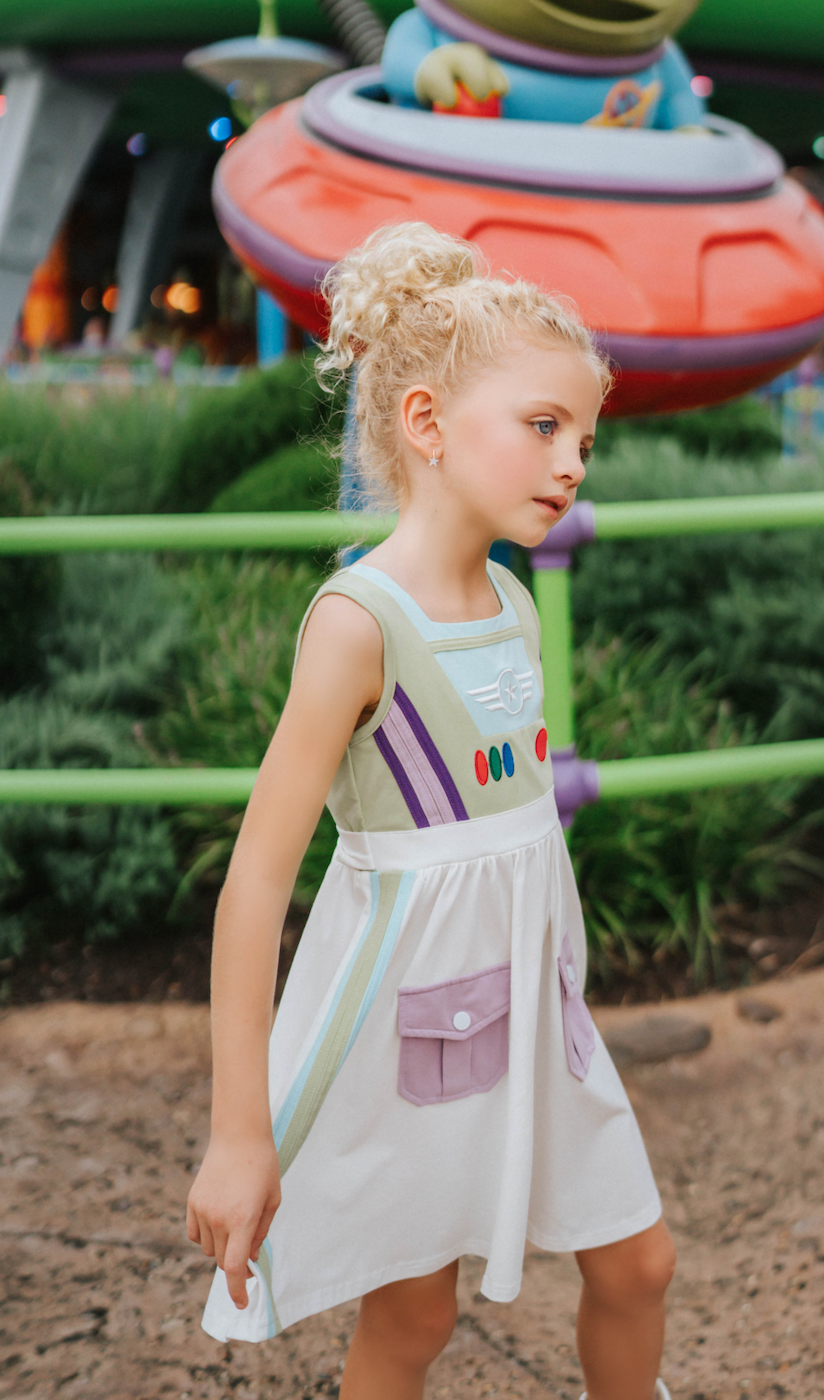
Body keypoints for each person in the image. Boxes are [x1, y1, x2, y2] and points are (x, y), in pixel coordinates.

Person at [185, 221, 675, 1400]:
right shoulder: (359, 624)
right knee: (412, 1319)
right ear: (426, 424)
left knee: (639, 1264)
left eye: (586, 439)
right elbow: (256, 880)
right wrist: (237, 1130)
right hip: (419, 1024)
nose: (572, 464)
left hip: (533, 1010)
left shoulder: (511, 597)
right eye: (543, 426)